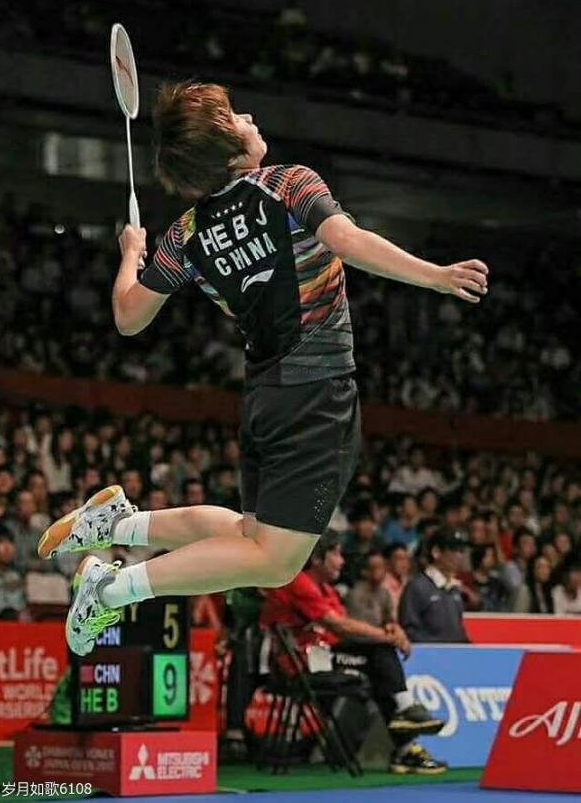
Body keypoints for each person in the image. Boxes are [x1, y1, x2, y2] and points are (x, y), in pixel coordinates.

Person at [36, 81, 489, 656]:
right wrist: (436, 276)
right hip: (315, 395)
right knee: (275, 562)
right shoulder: (289, 184)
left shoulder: (186, 235)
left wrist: (131, 255)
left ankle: (117, 525)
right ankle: (111, 587)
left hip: (266, 400)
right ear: (228, 151)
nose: (249, 117)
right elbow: (347, 241)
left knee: (249, 536)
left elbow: (128, 316)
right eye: (235, 116)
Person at [260, 532, 446, 774]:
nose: (342, 561)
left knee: (379, 664)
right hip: (297, 664)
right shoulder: (299, 583)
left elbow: (346, 630)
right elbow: (338, 626)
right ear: (316, 558)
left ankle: (405, 734)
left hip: (322, 656)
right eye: (336, 554)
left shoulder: (327, 590)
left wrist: (388, 629)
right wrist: (386, 636)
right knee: (379, 655)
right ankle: (406, 724)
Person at [399, 531, 469, 642]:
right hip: (430, 652)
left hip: (455, 652)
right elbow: (409, 630)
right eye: (453, 550)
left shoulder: (454, 589)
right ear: (436, 552)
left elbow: (458, 630)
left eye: (461, 551)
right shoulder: (417, 587)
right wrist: (435, 647)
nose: (459, 556)